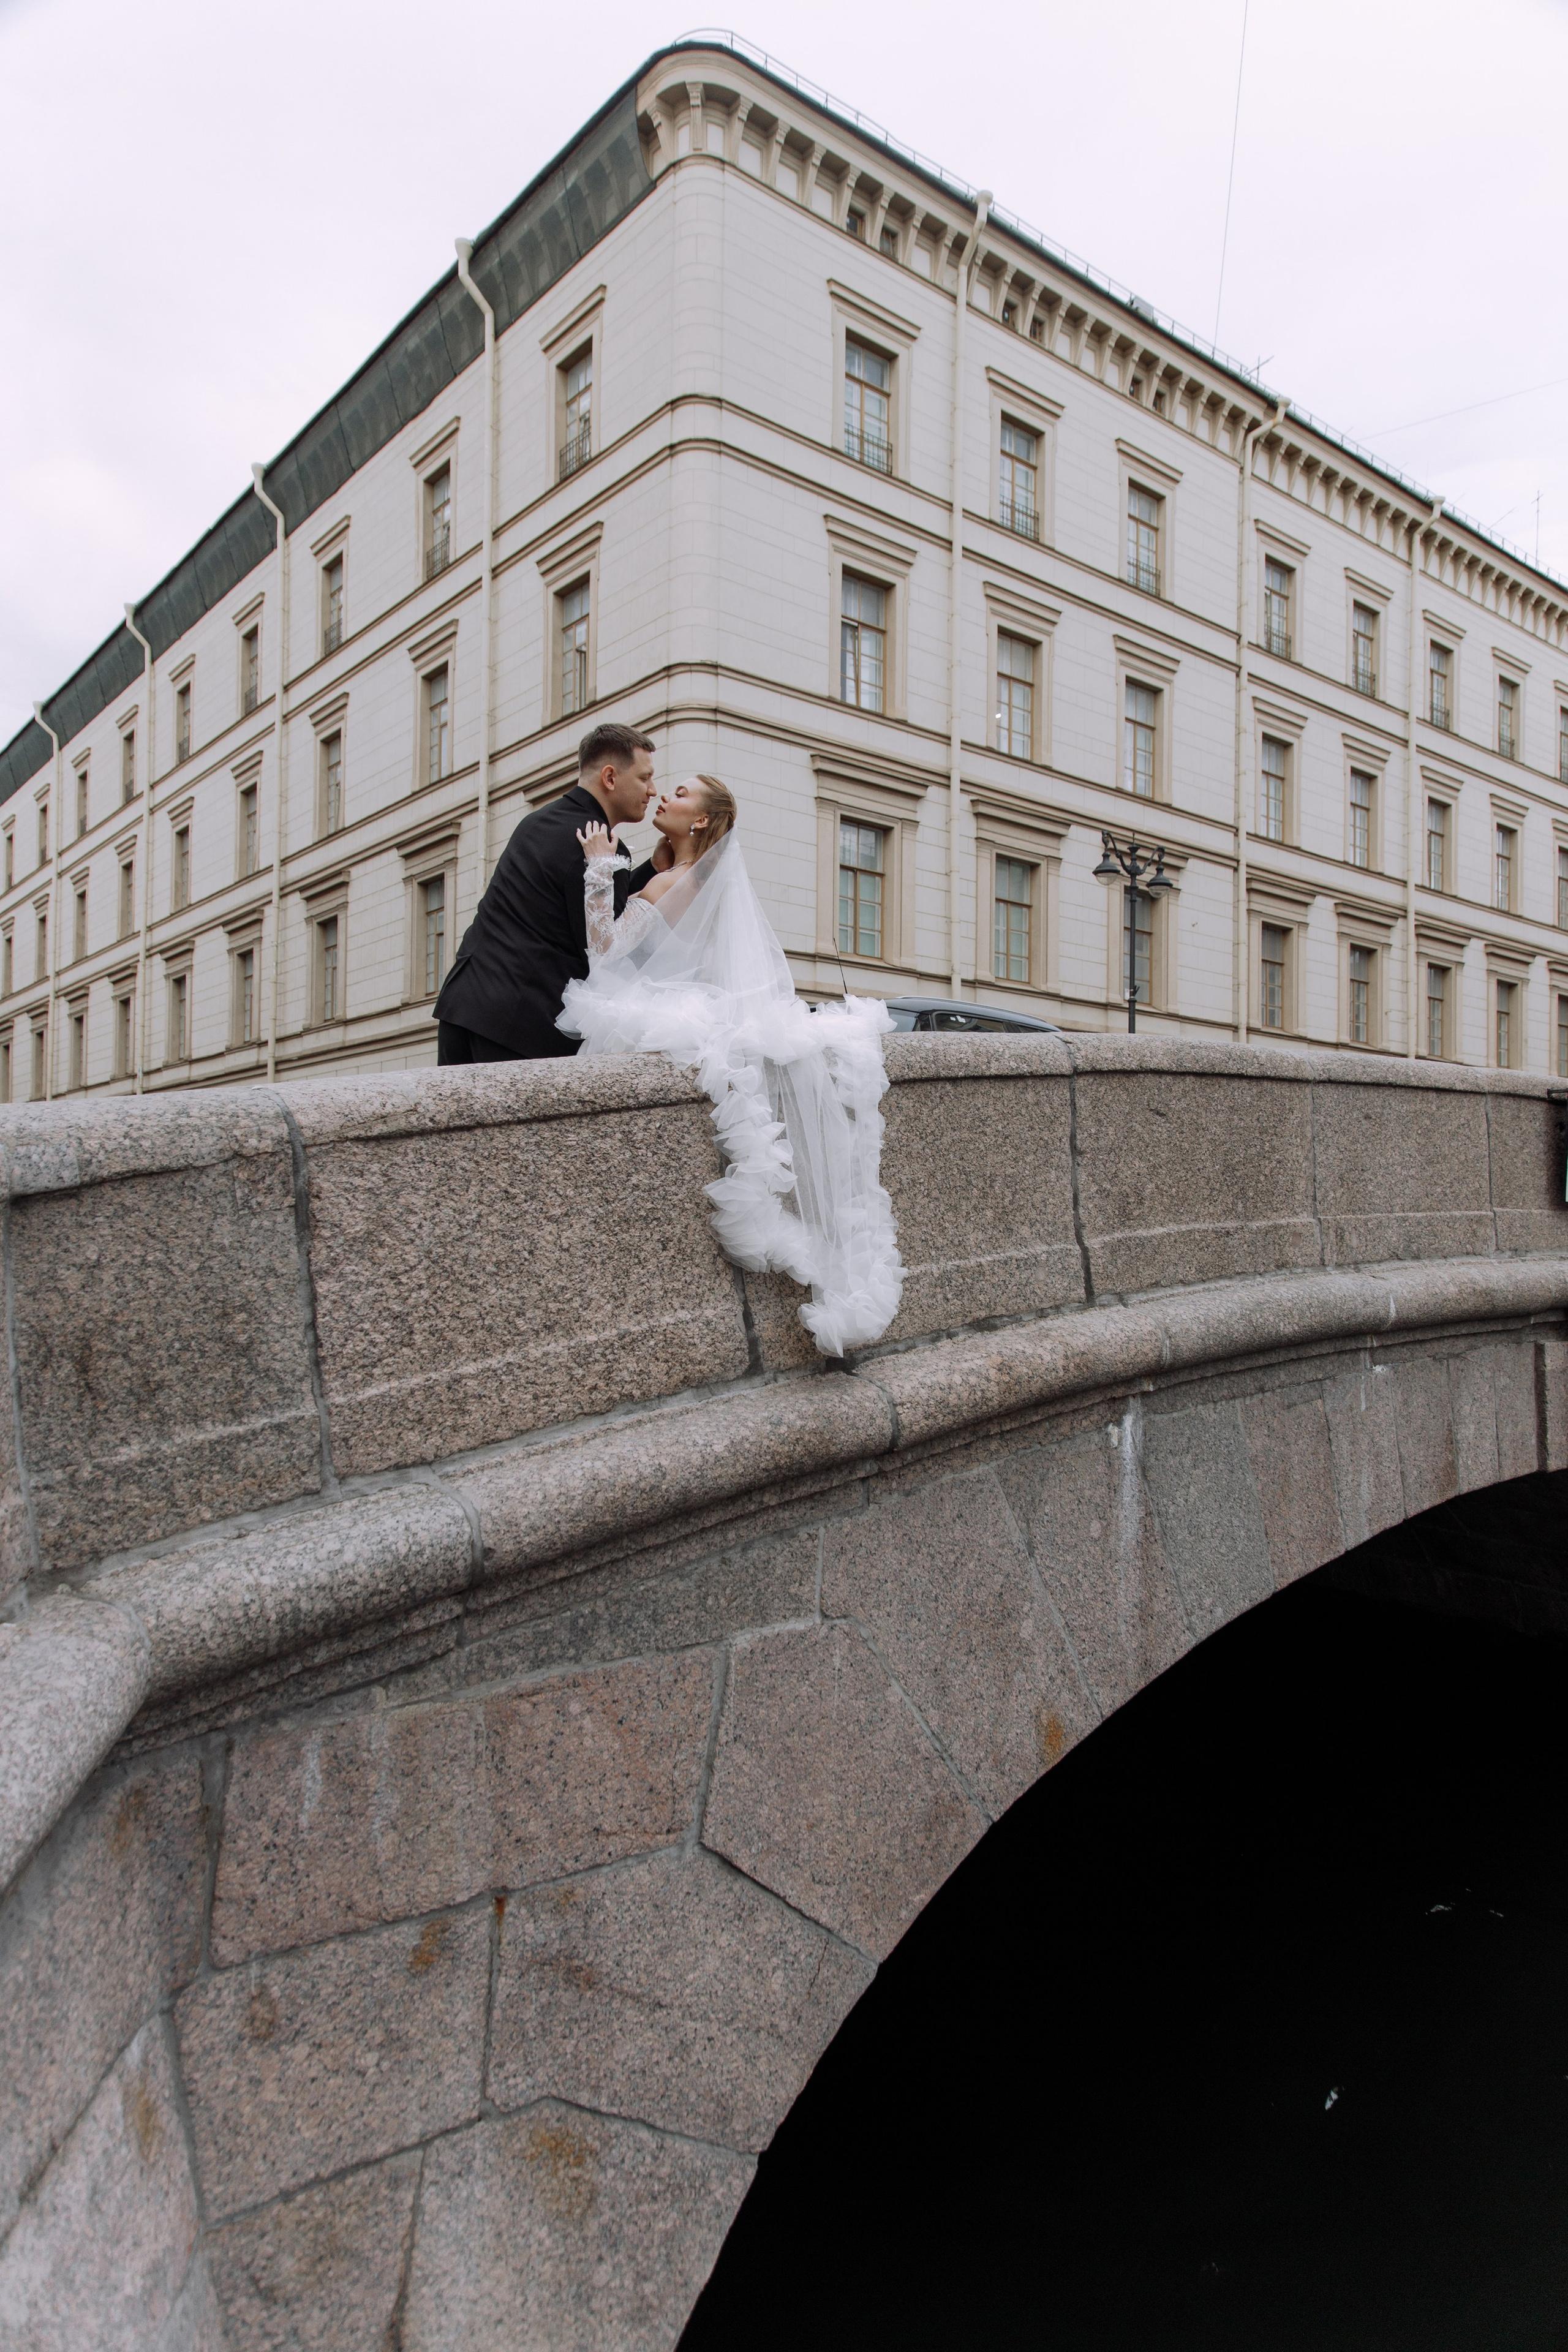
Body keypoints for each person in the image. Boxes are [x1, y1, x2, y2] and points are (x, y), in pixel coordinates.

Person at [559, 772, 905, 1357]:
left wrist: (600, 868)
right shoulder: (703, 880)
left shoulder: (672, 881)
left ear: (700, 821)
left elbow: (606, 955)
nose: (664, 795)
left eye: (681, 794)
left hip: (668, 1014)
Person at [433, 722, 662, 1061]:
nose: (653, 790)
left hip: (463, 1005)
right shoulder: (604, 850)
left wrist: (651, 870)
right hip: (519, 1024)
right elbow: (604, 947)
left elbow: (559, 904)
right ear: (610, 778)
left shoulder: (537, 822)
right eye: (645, 777)